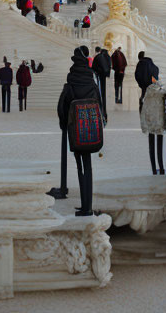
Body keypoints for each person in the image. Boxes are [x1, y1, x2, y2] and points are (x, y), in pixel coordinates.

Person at [56, 46, 101, 216]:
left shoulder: (71, 83)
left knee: (80, 166)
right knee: (88, 166)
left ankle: (85, 207)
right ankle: (88, 206)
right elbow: (99, 104)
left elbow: (62, 107)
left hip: (75, 131)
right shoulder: (91, 82)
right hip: (91, 130)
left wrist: (63, 123)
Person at [141, 78, 166, 175]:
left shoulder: (149, 91)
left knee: (152, 143)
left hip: (151, 123)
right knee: (160, 141)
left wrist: (144, 126)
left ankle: (154, 169)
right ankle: (163, 168)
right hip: (162, 123)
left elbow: (144, 109)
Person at [92, 47, 111, 118]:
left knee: (100, 93)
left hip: (99, 76)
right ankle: (104, 111)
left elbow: (93, 67)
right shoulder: (107, 57)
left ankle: (102, 110)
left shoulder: (99, 57)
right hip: (103, 76)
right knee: (103, 93)